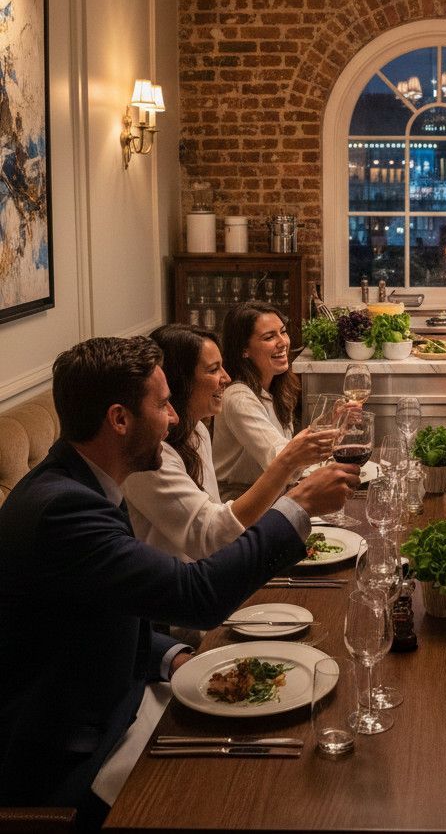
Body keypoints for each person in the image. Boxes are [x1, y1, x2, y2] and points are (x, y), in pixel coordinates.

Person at [0, 337, 359, 824]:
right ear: (119, 419)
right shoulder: (64, 508)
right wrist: (298, 506)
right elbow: (197, 596)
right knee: (262, 796)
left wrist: (173, 656)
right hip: (74, 755)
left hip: (124, 700)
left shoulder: (85, 481)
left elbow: (101, 613)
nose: (173, 419)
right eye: (163, 405)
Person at [123, 324, 334, 561]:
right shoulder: (149, 457)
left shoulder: (197, 430)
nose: (226, 378)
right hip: (179, 580)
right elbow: (212, 536)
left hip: (215, 567)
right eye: (214, 370)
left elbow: (215, 518)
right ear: (180, 381)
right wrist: (288, 467)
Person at [213, 301, 304, 501]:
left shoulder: (278, 388)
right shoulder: (238, 398)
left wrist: (334, 423)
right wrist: (319, 441)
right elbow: (282, 463)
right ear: (244, 350)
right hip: (240, 503)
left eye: (283, 332)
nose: (283, 342)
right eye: (269, 337)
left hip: (273, 496)